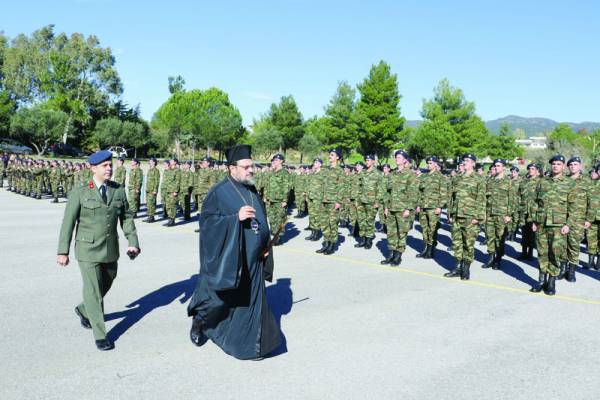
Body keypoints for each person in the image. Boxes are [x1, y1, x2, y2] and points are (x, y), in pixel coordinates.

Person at [187, 144, 281, 360]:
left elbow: (261, 223)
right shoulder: (219, 193)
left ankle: (253, 346)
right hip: (228, 261)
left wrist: (265, 248)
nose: (251, 170)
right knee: (217, 299)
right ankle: (200, 322)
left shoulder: (251, 190)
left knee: (251, 305)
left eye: (252, 166)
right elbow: (208, 225)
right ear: (232, 168)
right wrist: (234, 219)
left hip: (253, 259)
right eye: (246, 166)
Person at [56, 150, 140, 351]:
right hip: (87, 249)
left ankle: (84, 309)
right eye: (104, 166)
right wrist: (62, 251)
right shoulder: (81, 191)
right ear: (93, 168)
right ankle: (101, 335)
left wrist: (133, 241)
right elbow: (68, 223)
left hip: (110, 248)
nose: (109, 168)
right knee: (93, 291)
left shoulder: (118, 190)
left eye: (110, 165)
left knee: (108, 280)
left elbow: (126, 218)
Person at [530, 155, 576, 295]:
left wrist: (568, 224)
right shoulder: (542, 182)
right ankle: (541, 280)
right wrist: (534, 220)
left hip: (558, 224)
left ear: (563, 166)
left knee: (555, 253)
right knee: (542, 252)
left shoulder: (569, 183)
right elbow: (535, 203)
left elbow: (574, 207)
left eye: (559, 164)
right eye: (554, 164)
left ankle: (551, 281)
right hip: (541, 223)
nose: (555, 166)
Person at [444, 153, 486, 280]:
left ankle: (466, 269)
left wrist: (477, 217)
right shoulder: (457, 178)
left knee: (468, 244)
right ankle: (457, 267)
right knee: (457, 243)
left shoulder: (479, 179)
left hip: (470, 217)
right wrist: (450, 213)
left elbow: (481, 200)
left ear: (473, 163)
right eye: (464, 160)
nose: (465, 162)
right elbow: (452, 197)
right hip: (457, 216)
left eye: (468, 160)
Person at [145, 157, 160, 223]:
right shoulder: (149, 170)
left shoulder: (156, 171)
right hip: (148, 189)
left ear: (154, 162)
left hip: (152, 190)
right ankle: (149, 216)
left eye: (151, 161)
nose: (149, 162)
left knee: (152, 203)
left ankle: (152, 217)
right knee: (148, 203)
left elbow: (157, 181)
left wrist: (155, 190)